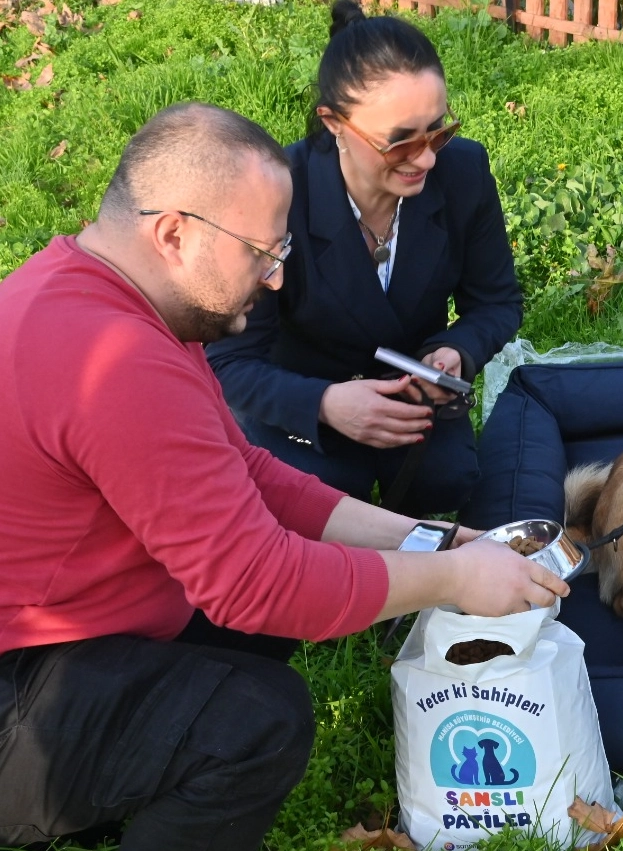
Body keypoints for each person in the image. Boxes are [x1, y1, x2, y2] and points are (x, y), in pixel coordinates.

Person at [0, 102, 567, 851]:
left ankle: (105, 790)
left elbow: (245, 471)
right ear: (174, 234)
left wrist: (426, 538)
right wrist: (456, 579)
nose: (274, 278)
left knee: (263, 626)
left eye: (282, 249)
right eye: (259, 252)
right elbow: (257, 584)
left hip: (71, 628)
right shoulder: (120, 362)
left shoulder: (114, 295)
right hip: (22, 682)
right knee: (259, 722)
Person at [206, 0, 522, 519]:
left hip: (411, 401)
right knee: (318, 502)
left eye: (438, 130)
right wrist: (324, 403)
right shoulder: (278, 195)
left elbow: (497, 301)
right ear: (334, 123)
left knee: (447, 482)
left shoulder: (462, 173)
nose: (427, 158)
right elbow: (228, 363)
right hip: (300, 402)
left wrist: (453, 352)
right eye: (399, 143)